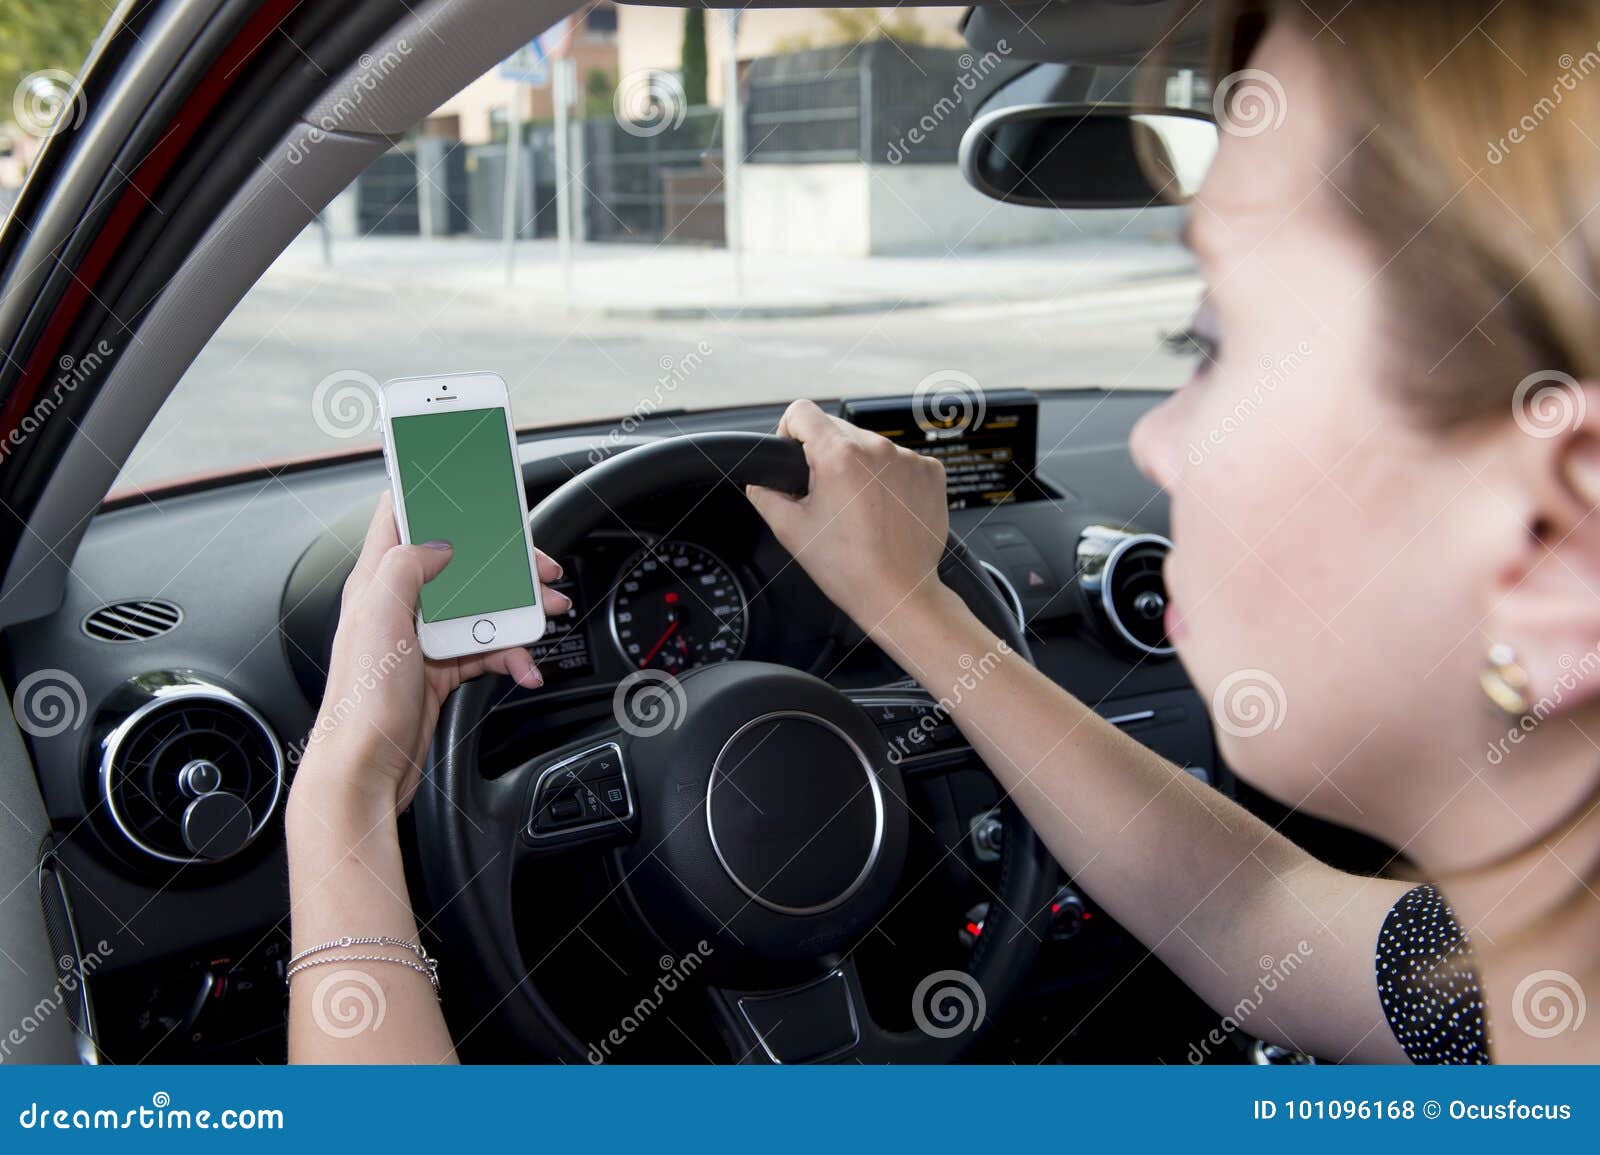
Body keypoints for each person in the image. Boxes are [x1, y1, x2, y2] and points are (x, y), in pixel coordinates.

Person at [287, 0, 1600, 1063]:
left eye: (1211, 344)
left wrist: (345, 802)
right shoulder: (1519, 988)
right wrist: (912, 606)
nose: (1155, 441)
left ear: (1554, 539)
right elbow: (1256, 915)